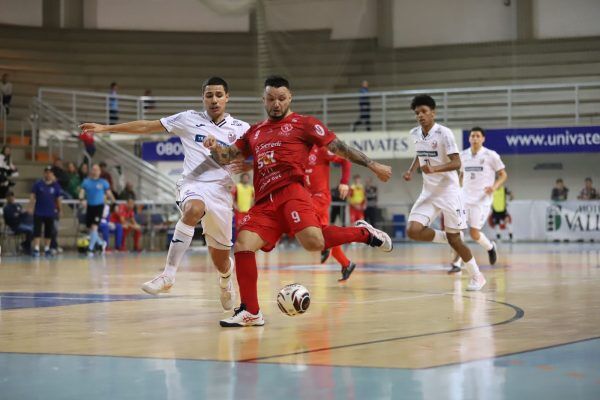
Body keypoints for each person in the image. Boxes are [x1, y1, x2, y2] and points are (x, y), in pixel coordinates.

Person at [204, 75, 392, 327]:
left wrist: (372, 164)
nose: (276, 104)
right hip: (264, 202)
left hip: (292, 192)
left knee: (313, 243)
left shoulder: (304, 124)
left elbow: (339, 148)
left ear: (290, 98)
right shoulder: (255, 131)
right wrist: (214, 147)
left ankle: (363, 234)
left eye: (281, 98)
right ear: (264, 100)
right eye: (271, 99)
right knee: (243, 246)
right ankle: (251, 310)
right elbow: (227, 156)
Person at [79, 76, 250, 311]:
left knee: (221, 261)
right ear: (203, 97)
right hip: (192, 184)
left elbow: (242, 160)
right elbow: (146, 125)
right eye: (209, 95)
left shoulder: (241, 129)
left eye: (219, 95)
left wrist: (219, 149)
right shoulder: (188, 119)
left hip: (220, 192)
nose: (214, 99)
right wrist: (106, 128)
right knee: (193, 210)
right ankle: (168, 275)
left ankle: (225, 279)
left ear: (227, 98)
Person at [402, 94, 486, 291]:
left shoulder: (444, 133)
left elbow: (457, 162)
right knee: (413, 231)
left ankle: (477, 276)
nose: (420, 116)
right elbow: (420, 153)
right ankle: (446, 237)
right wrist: (411, 170)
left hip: (449, 193)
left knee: (456, 240)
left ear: (433, 112)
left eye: (424, 111)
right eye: (417, 113)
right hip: (428, 192)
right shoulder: (415, 133)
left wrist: (435, 169)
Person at [448, 127, 507, 273]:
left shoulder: (491, 155)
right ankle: (457, 263)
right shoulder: (463, 155)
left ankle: (490, 247)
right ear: (469, 139)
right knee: (457, 230)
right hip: (464, 198)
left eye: (477, 136)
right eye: (472, 136)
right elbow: (461, 176)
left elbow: (503, 175)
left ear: (483, 139)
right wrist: (458, 190)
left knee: (474, 234)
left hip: (482, 199)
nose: (474, 138)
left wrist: (494, 187)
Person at [305, 144, 356, 281]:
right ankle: (346, 264)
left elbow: (345, 159)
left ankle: (324, 248)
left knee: (302, 214)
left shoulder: (320, 149)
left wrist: (344, 182)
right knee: (328, 235)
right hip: (308, 198)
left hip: (320, 197)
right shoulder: (299, 151)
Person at [79, 163, 115, 257]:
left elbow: (109, 193)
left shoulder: (103, 182)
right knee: (90, 228)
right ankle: (101, 242)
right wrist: (82, 200)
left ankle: (90, 249)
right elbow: (82, 192)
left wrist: (113, 202)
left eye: (97, 170)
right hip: (90, 207)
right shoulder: (86, 182)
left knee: (94, 227)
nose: (95, 171)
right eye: (93, 169)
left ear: (99, 172)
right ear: (91, 171)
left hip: (99, 207)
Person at [28, 166, 62, 257]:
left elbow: (58, 199)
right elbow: (32, 196)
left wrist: (60, 209)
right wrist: (30, 207)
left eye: (50, 172)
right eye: (46, 172)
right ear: (44, 173)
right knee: (37, 230)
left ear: (52, 174)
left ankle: (47, 248)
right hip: (39, 211)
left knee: (49, 231)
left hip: (50, 212)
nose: (48, 174)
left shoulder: (55, 186)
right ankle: (36, 248)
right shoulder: (38, 184)